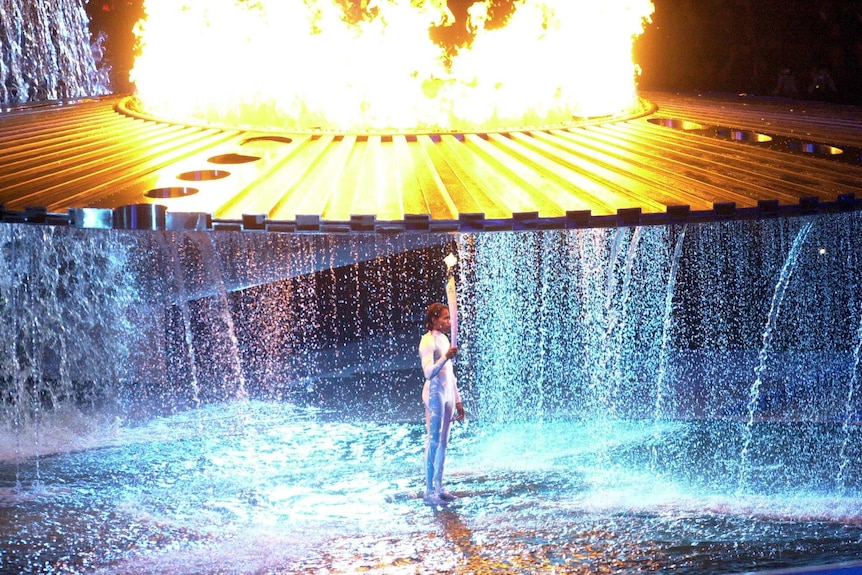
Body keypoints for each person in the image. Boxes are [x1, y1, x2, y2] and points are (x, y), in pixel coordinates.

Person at [419, 302, 465, 506]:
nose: (449, 321)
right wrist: (446, 357)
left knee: (444, 442)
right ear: (434, 320)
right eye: (445, 318)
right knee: (434, 441)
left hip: (447, 394)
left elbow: (451, 373)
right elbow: (429, 372)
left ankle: (439, 486)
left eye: (449, 317)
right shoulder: (427, 341)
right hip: (435, 394)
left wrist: (458, 399)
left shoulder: (445, 339)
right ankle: (429, 490)